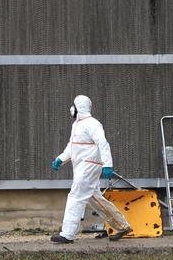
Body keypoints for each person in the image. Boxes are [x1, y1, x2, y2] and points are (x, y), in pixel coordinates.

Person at [50, 95, 132, 243]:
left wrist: (107, 164)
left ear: (78, 107)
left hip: (89, 166)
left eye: (73, 106)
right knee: (95, 199)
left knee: (76, 196)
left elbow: (103, 143)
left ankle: (67, 234)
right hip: (82, 166)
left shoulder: (93, 124)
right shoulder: (76, 125)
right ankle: (122, 226)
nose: (71, 109)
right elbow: (72, 147)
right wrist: (60, 159)